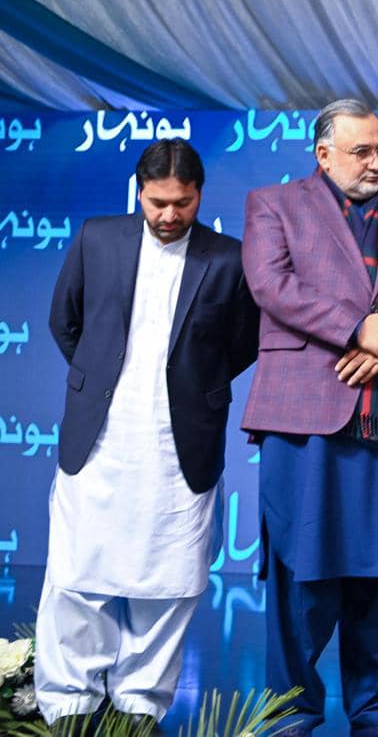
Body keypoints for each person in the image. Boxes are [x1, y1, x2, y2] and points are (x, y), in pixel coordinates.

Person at [240, 99, 378, 736]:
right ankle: (291, 713)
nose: (376, 162)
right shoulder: (273, 205)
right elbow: (270, 284)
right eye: (362, 151)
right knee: (301, 572)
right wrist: (357, 329)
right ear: (323, 153)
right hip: (306, 416)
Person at [37, 139, 259, 729]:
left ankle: (139, 705)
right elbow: (66, 321)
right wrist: (100, 378)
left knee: (169, 580)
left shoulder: (230, 258)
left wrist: (194, 386)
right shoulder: (98, 238)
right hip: (100, 436)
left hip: (180, 441)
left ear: (199, 196)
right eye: (157, 202)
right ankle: (68, 702)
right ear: (139, 192)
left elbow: (243, 343)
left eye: (181, 204)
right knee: (78, 572)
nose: (168, 215)